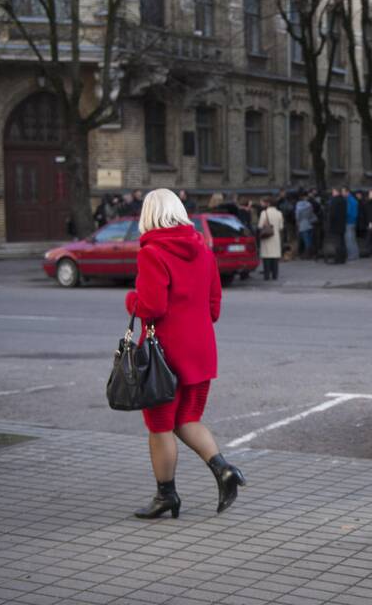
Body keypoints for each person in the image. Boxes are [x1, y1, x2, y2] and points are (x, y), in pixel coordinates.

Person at [124, 189, 246, 519]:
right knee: (188, 419)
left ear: (148, 215)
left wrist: (130, 301)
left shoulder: (152, 253)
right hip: (202, 351)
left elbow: (151, 306)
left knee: (161, 425)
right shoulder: (204, 251)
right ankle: (224, 470)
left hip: (165, 355)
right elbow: (214, 308)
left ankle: (166, 496)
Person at [257, 196, 284, 281]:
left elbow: (260, 226)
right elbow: (281, 227)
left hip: (266, 236)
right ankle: (275, 275)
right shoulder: (279, 213)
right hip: (275, 237)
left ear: (268, 203)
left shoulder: (264, 213)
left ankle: (267, 275)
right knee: (275, 257)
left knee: (266, 257)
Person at [327, 187, 348, 264]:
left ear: (336, 192)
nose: (332, 193)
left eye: (333, 191)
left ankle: (338, 259)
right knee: (342, 241)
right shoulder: (343, 200)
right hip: (342, 224)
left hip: (335, 224)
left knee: (337, 242)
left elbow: (332, 213)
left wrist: (329, 224)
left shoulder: (334, 200)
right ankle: (343, 258)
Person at [295, 191, 316, 258]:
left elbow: (297, 216)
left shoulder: (298, 205)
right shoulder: (309, 204)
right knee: (309, 239)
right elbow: (312, 214)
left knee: (306, 240)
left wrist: (297, 222)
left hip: (302, 224)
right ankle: (311, 253)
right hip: (309, 223)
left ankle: (307, 254)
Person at [342, 186, 360, 260]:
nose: (342, 193)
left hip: (349, 222)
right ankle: (356, 254)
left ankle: (351, 256)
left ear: (347, 192)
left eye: (343, 191)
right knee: (353, 239)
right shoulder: (353, 199)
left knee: (349, 240)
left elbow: (348, 212)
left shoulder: (349, 200)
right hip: (353, 222)